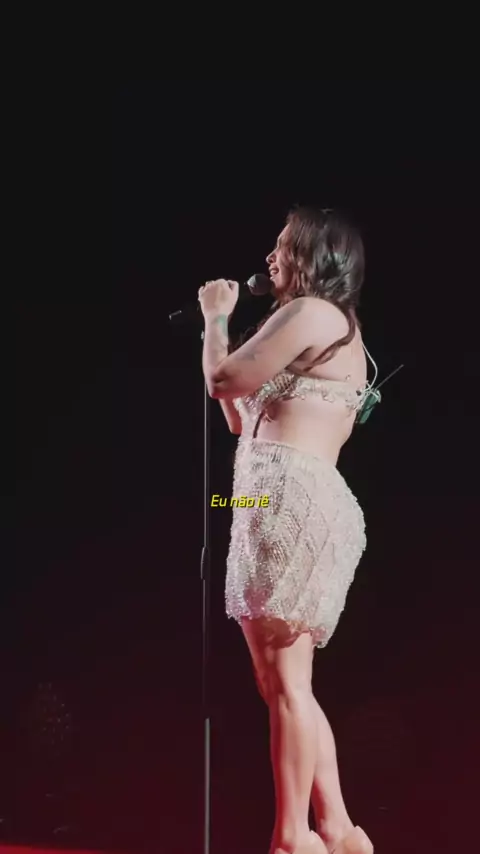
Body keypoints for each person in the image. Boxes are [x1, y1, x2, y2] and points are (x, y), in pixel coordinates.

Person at [198, 206, 375, 854]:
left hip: (289, 500)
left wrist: (216, 318)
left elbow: (222, 378)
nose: (271, 257)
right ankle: (339, 829)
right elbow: (237, 414)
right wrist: (220, 335)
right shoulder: (326, 327)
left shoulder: (311, 313)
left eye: (283, 245)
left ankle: (293, 837)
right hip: (277, 499)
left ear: (313, 254)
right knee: (282, 684)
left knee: (288, 684)